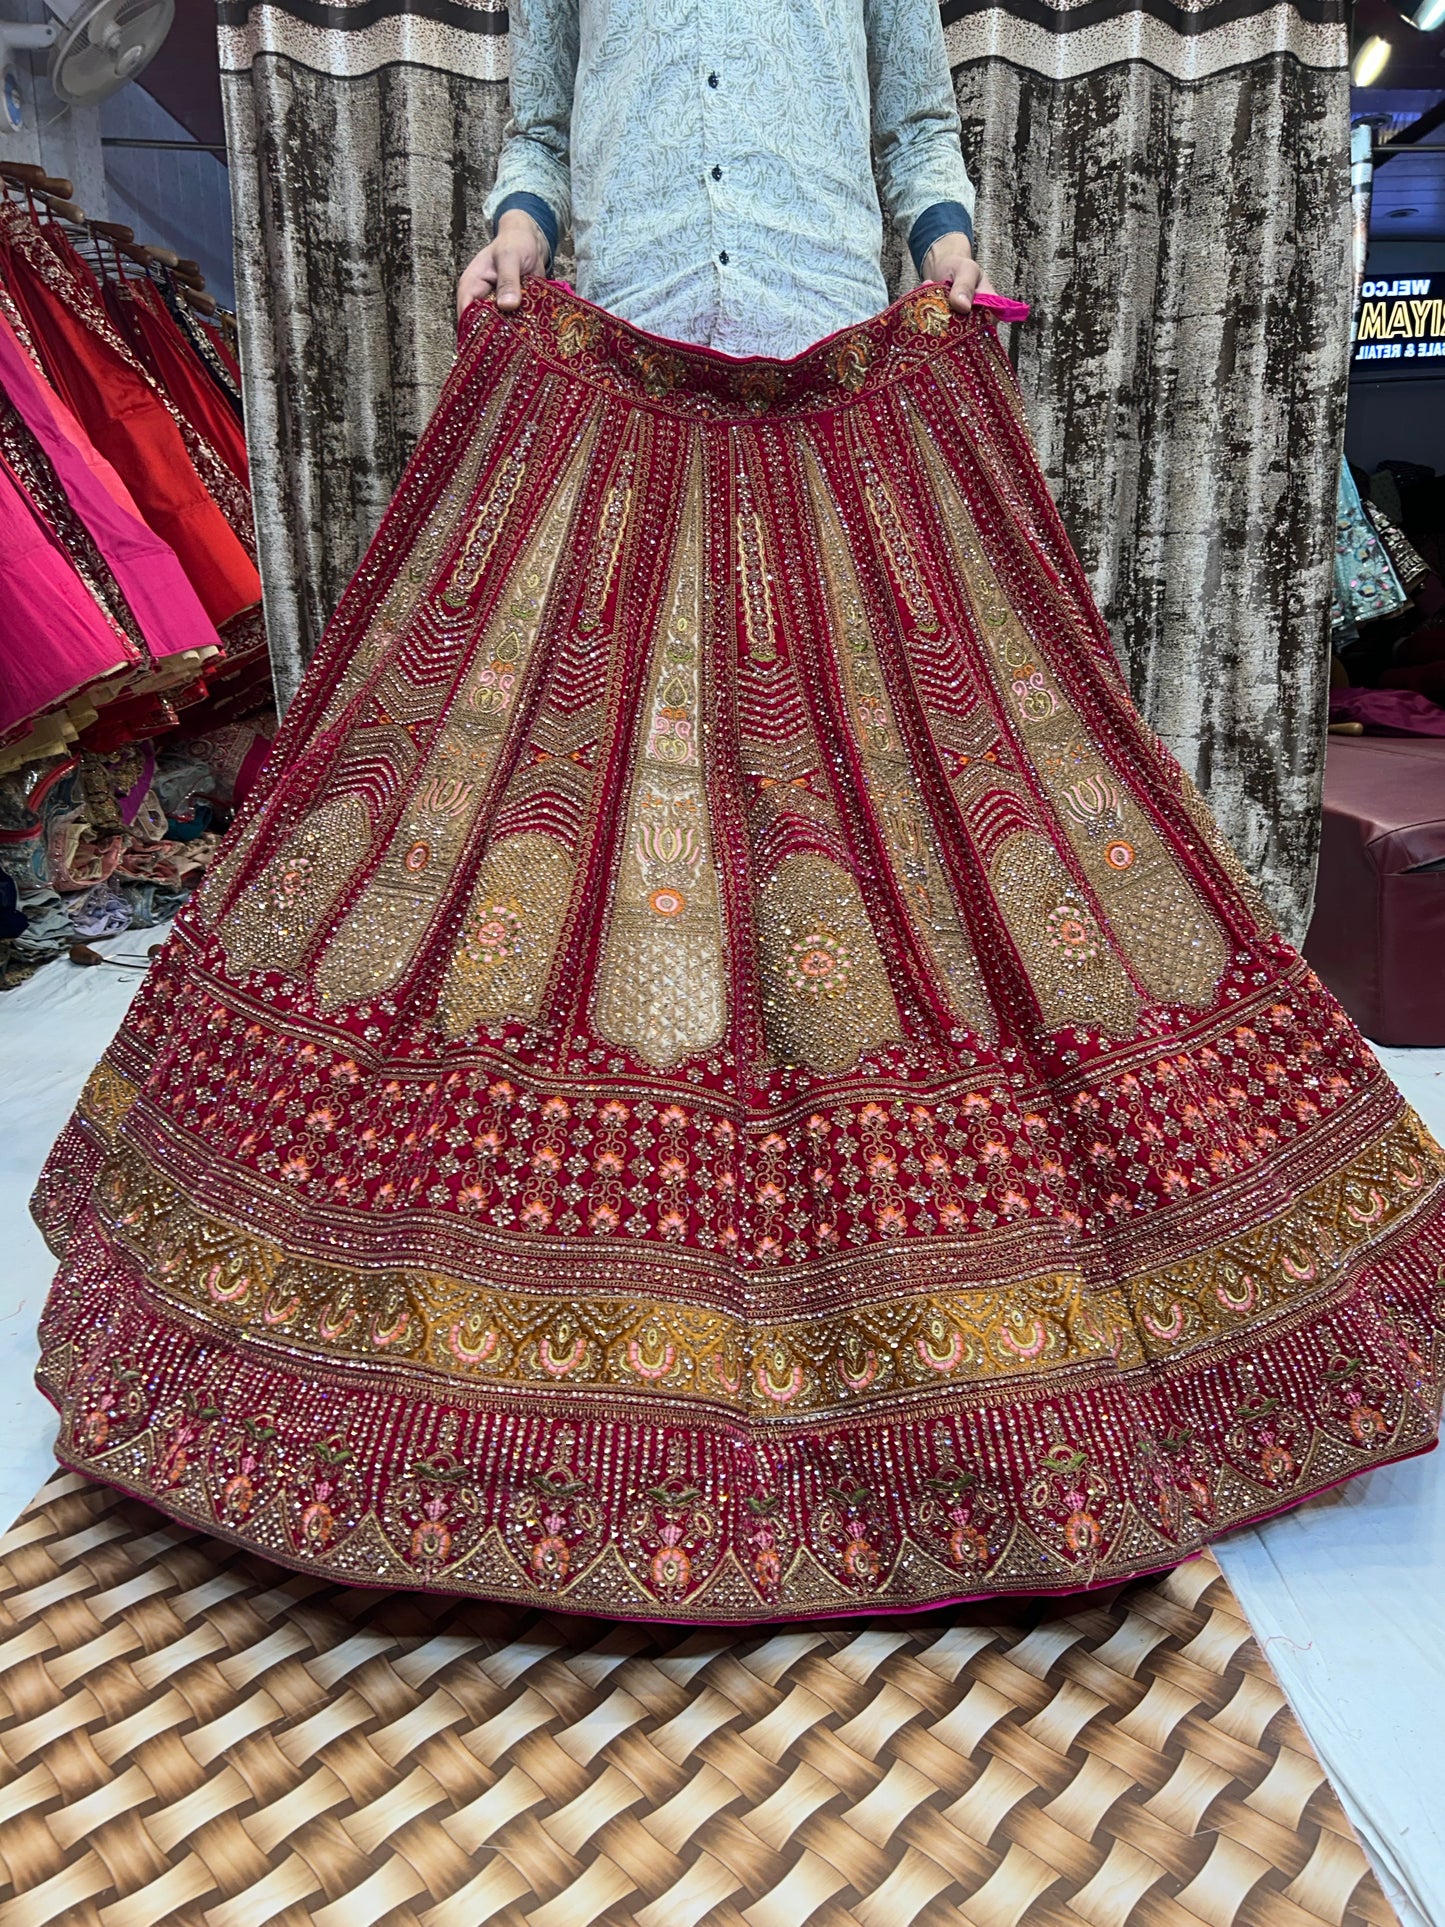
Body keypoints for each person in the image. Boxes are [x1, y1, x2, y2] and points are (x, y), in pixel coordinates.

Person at [31, 0, 1445, 1622]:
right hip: (617, 365)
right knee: (579, 800)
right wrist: (515, 234)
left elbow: (915, 130)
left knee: (898, 801)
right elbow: (542, 131)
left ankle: (911, 1300)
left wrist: (947, 258)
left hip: (833, 361)